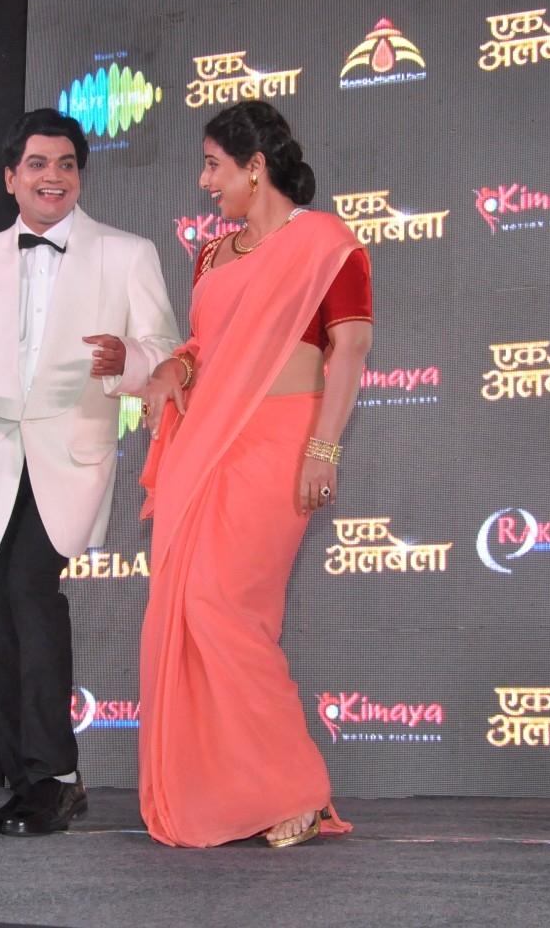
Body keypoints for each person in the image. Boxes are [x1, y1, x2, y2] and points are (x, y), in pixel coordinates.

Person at [0, 109, 180, 837]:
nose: (52, 177)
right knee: (0, 616)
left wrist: (128, 360)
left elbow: (166, 350)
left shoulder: (126, 253)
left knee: (30, 593)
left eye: (65, 164)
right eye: (37, 164)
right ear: (10, 178)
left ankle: (55, 777)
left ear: (80, 176)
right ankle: (28, 780)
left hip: (72, 458)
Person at [136, 100, 372, 848]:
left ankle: (297, 789)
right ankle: (235, 791)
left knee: (225, 608)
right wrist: (173, 368)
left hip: (281, 440)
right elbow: (205, 348)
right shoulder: (211, 256)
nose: (206, 182)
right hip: (205, 444)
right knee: (188, 610)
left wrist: (323, 450)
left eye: (214, 166)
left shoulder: (327, 243)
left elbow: (349, 351)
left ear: (255, 167)